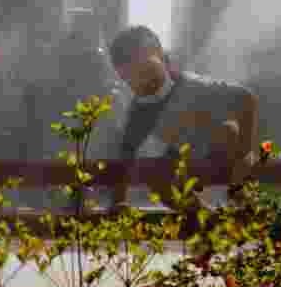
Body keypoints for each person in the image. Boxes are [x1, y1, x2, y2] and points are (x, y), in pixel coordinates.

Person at [105, 26, 260, 213]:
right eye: (129, 78)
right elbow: (126, 158)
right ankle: (206, 218)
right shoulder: (139, 111)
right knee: (155, 178)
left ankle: (240, 205)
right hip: (181, 162)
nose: (138, 82)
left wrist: (244, 155)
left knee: (227, 131)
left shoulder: (192, 87)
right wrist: (118, 201)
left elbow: (246, 98)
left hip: (216, 150)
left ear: (160, 56)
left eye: (144, 69)